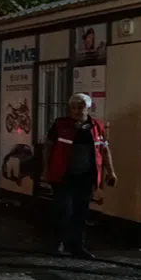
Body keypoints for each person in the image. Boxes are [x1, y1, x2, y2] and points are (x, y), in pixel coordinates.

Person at [43, 93, 116, 259]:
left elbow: (104, 151)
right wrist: (46, 169)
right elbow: (48, 147)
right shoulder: (60, 125)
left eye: (80, 106)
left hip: (85, 177)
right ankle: (58, 243)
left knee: (81, 213)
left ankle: (77, 246)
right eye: (73, 107)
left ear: (88, 107)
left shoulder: (97, 126)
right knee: (63, 209)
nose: (76, 110)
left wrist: (111, 172)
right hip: (63, 176)